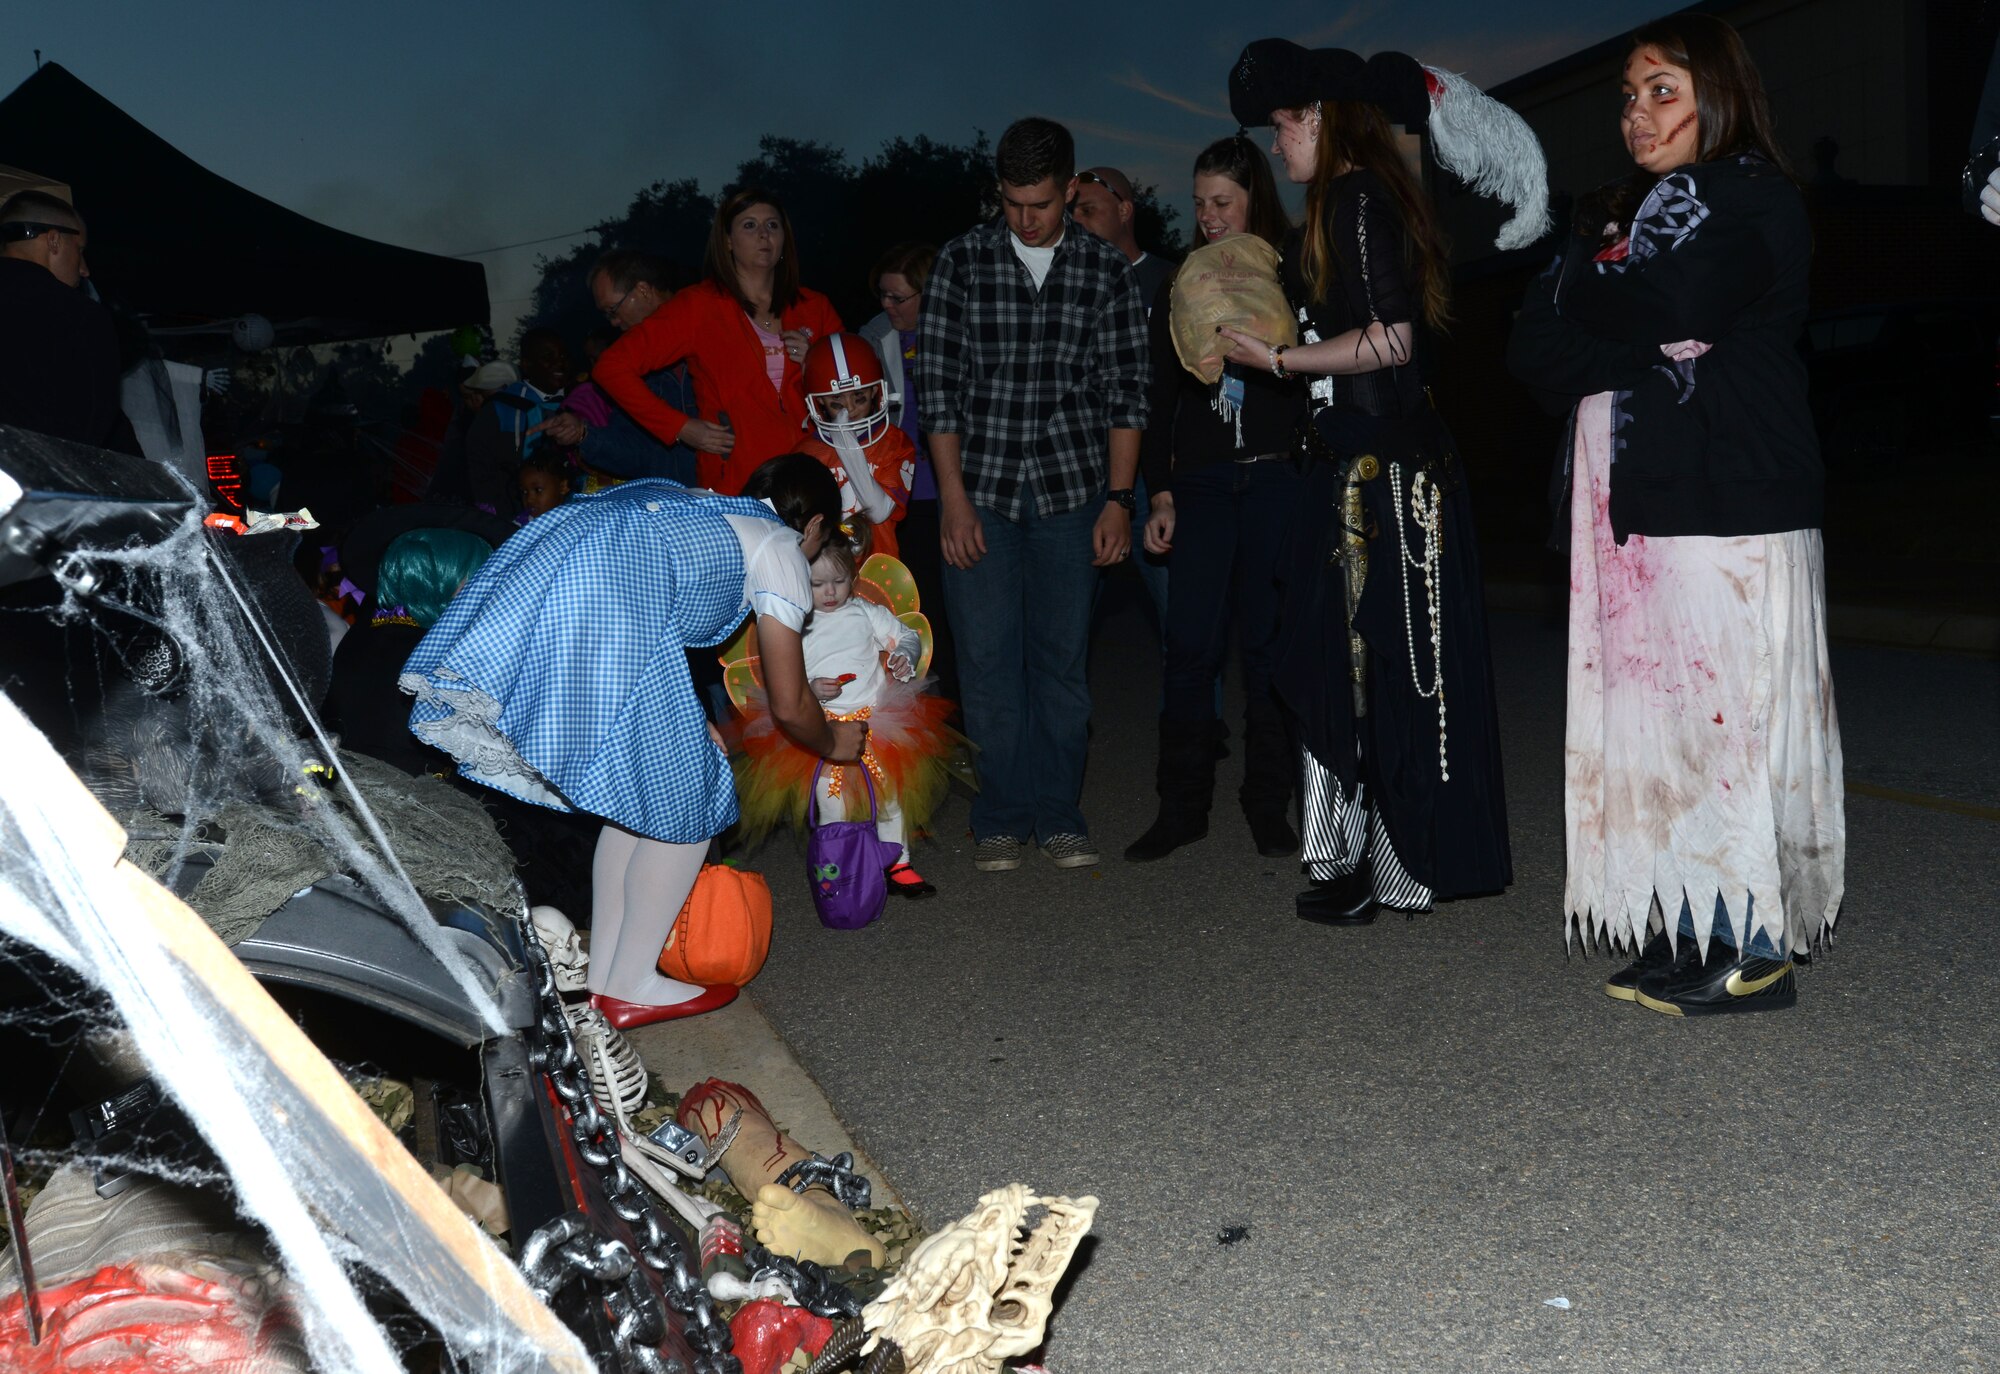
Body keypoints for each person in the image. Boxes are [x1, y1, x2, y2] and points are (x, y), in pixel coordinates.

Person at [1507, 16, 1843, 1015]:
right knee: (1658, 735)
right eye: (1627, 95)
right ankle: (1686, 924)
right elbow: (1534, 351)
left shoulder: (1748, 197)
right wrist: (1610, 293)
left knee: (1721, 729)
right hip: (1650, 511)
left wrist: (1588, 282)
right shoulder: (1635, 216)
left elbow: (1674, 300)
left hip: (1727, 504)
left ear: (1720, 96)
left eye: (1661, 90)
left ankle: (1749, 950)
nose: (1635, 114)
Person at [401, 455, 866, 1028]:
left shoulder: (705, 505)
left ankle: (606, 980)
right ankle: (634, 983)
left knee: (637, 802)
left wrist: (694, 721)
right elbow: (791, 703)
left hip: (571, 570)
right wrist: (836, 743)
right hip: (612, 602)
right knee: (688, 802)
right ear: (814, 526)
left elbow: (660, 605)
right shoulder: (780, 546)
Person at [1223, 40, 1516, 924]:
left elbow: (1392, 339)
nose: (1277, 145)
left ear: (1319, 116)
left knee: (1375, 668)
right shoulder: (1359, 198)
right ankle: (1380, 864)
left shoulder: (1352, 197)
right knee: (1360, 668)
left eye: (1283, 125)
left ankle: (1389, 865)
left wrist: (1276, 357)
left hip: (1381, 478)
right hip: (1369, 462)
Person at [916, 116, 1150, 873]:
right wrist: (952, 499)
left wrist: (1119, 498)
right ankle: (1000, 816)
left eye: (1042, 204)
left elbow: (1127, 394)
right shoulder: (960, 262)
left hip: (1071, 495)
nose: (1026, 218)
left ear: (1072, 189)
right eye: (1014, 202)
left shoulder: (1105, 271)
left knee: (1060, 664)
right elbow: (940, 392)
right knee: (985, 662)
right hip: (978, 492)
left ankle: (1060, 814)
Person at [1126, 135, 1305, 863]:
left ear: (1253, 197)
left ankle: (1268, 803)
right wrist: (1158, 493)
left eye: (1222, 202)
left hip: (1271, 480)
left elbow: (1313, 380)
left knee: (1267, 650)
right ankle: (1181, 807)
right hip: (1200, 486)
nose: (1209, 217)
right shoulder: (1184, 281)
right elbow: (1158, 397)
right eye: (1199, 203)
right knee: (1189, 649)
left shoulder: (1292, 271)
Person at [733, 536, 951, 900]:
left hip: (877, 724)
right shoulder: (795, 625)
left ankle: (898, 862)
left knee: (889, 796)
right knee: (832, 802)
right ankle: (845, 863)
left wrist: (905, 657)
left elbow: (907, 636)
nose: (830, 592)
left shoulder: (865, 612)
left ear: (853, 576)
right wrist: (810, 687)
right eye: (817, 584)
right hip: (822, 729)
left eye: (839, 581)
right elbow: (780, 676)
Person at [593, 189, 844, 494]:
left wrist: (815, 363)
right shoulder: (699, 306)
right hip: (738, 483)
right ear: (727, 240)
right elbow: (611, 367)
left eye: (772, 225)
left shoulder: (815, 307)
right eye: (749, 225)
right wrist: (680, 427)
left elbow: (853, 393)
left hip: (815, 476)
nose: (764, 234)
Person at [1071, 164, 1175, 628]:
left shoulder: (1173, 282)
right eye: (1072, 212)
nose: (1077, 221)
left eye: (1089, 210)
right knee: (1066, 626)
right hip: (1086, 477)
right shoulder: (1064, 288)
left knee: (1184, 621)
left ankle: (1192, 704)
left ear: (1126, 210)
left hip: (1158, 477)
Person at [859, 242, 958, 703]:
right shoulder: (872, 338)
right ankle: (926, 710)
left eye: (899, 297)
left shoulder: (959, 329)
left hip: (954, 494)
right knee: (916, 610)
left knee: (961, 610)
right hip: (903, 501)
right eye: (883, 294)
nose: (888, 305)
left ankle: (963, 710)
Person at [534, 251, 701, 487]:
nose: (613, 322)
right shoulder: (627, 372)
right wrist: (583, 433)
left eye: (613, 310)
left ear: (643, 290)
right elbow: (637, 455)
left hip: (739, 498)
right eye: (606, 314)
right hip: (678, 507)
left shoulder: (713, 328)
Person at [0, 190, 126, 449]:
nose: (84, 268)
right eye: (79, 250)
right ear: (54, 240)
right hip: (38, 479)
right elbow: (90, 428)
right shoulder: (78, 313)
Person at [796, 332, 913, 557]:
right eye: (836, 400)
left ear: (874, 391)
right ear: (819, 400)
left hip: (879, 573)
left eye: (858, 396)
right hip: (825, 577)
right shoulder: (805, 454)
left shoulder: (896, 443)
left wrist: (843, 440)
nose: (849, 409)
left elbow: (877, 511)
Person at [462, 330, 570, 517]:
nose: (559, 363)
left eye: (562, 356)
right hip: (516, 517)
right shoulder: (500, 410)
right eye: (547, 357)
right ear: (527, 365)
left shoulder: (582, 401)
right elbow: (480, 472)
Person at [516, 448, 570, 521]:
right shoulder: (520, 525)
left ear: (563, 486)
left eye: (538, 490)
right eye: (524, 492)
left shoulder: (573, 520)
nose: (529, 499)